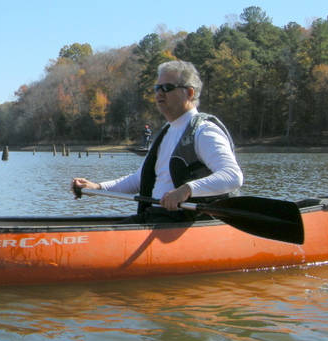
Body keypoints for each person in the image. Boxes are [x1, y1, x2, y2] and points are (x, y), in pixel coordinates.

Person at [71, 61, 243, 224]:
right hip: (156, 217)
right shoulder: (166, 132)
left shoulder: (203, 130)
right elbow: (139, 180)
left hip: (184, 222)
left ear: (189, 93)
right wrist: (97, 187)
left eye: (167, 88)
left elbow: (232, 176)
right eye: (157, 88)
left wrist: (186, 190)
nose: (159, 93)